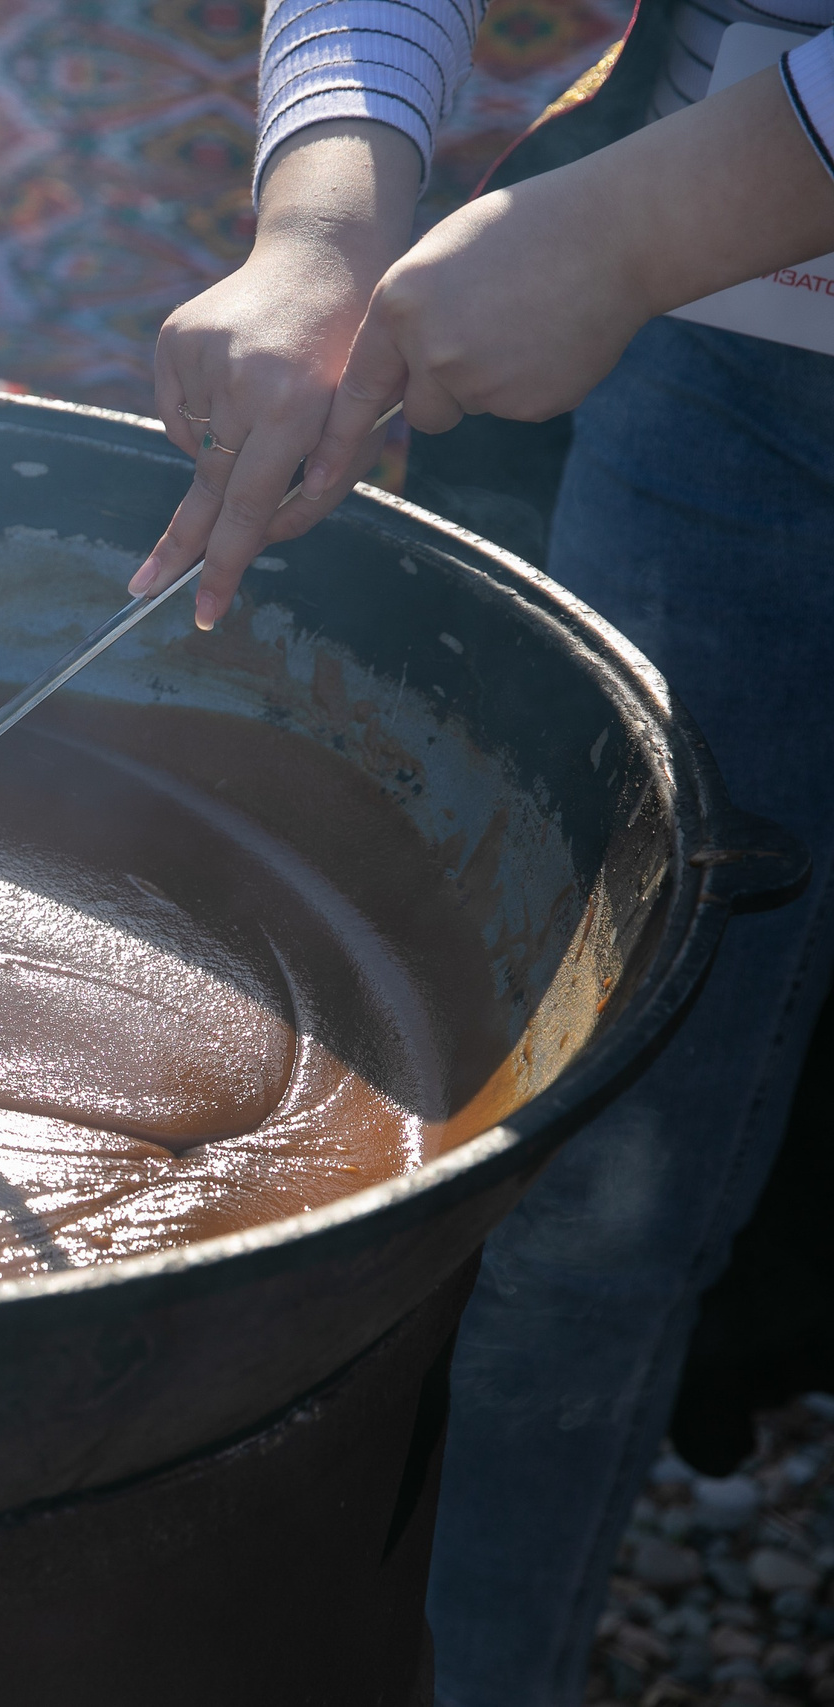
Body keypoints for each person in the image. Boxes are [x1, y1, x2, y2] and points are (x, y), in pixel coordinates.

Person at [131, 0, 834, 1695]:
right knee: (589, 1168)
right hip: (729, 367)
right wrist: (325, 221)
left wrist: (633, 221)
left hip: (681, 244)